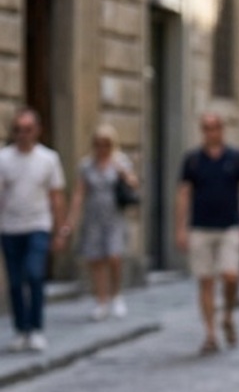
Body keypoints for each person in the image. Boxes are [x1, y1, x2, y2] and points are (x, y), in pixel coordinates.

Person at [175, 113, 239, 354]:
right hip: (200, 227)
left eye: (215, 128)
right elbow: (183, 194)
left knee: (231, 276)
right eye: (206, 128)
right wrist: (180, 227)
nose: (211, 132)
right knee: (206, 281)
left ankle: (228, 314)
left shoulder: (236, 158)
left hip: (230, 226)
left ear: (222, 130)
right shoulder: (193, 160)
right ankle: (210, 335)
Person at [0, 107, 67, 353]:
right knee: (15, 282)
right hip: (9, 227)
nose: (23, 135)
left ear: (37, 131)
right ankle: (21, 329)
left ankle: (36, 328)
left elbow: (57, 197)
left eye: (27, 129)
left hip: (38, 225)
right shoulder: (3, 158)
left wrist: (61, 231)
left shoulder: (48, 159)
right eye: (18, 130)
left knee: (35, 274)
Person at [66, 123, 138, 320]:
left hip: (114, 217)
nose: (102, 148)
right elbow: (79, 194)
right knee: (96, 259)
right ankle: (101, 300)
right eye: (98, 144)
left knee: (114, 256)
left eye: (106, 144)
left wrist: (122, 171)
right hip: (93, 217)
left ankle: (117, 296)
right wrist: (71, 220)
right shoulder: (86, 165)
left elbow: (134, 183)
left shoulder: (120, 161)